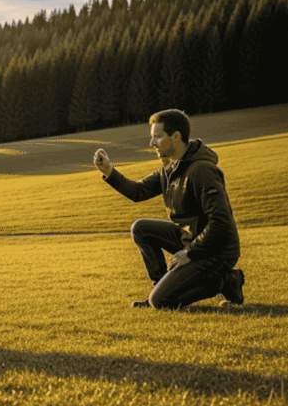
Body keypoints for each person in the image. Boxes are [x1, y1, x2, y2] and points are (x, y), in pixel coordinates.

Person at [93, 109, 244, 309]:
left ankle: (226, 281)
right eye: (151, 137)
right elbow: (139, 192)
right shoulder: (169, 168)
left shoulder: (202, 170)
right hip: (189, 238)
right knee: (141, 229)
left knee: (161, 302)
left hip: (216, 250)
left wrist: (190, 253)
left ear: (175, 137)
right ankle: (159, 286)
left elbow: (221, 222)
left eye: (157, 137)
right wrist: (109, 172)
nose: (152, 143)